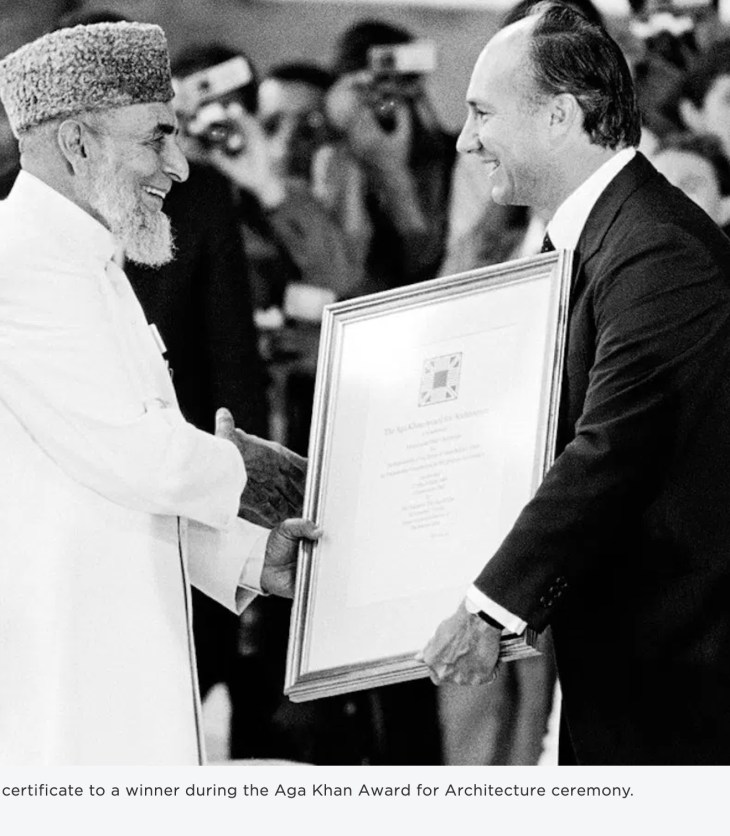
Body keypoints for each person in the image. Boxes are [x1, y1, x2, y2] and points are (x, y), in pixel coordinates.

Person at [0, 20, 318, 766]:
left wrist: (245, 558)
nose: (179, 165)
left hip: (119, 638)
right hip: (68, 660)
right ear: (77, 144)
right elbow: (143, 458)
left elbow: (121, 482)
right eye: (155, 137)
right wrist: (266, 474)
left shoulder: (92, 261)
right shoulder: (20, 263)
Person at [419, 2, 730, 765]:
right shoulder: (611, 235)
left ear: (559, 115)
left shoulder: (655, 249)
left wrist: (488, 608)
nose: (466, 140)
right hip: (635, 665)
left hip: (681, 682)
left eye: (483, 112)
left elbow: (612, 448)